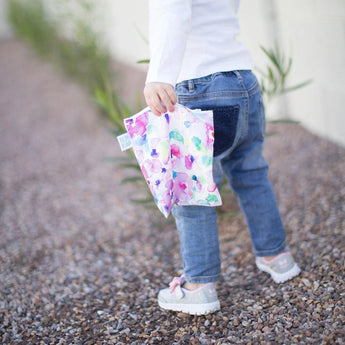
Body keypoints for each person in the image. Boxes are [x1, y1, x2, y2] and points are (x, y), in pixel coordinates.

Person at [143, 0, 301, 315]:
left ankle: (199, 285)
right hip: (243, 81)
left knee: (193, 192)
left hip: (200, 85)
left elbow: (171, 10)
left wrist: (159, 76)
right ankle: (277, 256)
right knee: (252, 173)